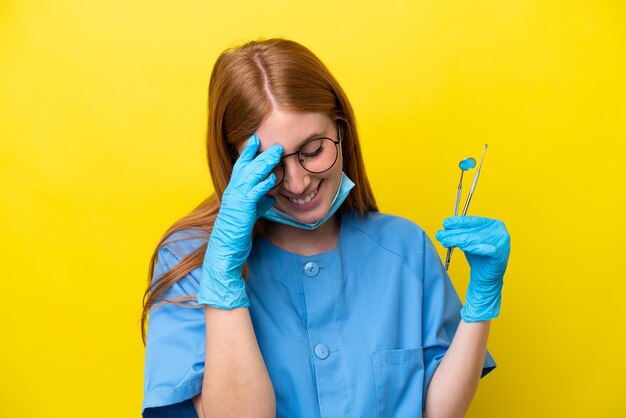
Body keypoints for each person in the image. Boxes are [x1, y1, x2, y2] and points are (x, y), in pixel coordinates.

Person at [140, 38, 510, 418]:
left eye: (313, 150)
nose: (298, 183)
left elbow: (436, 411)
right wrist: (222, 283)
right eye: (272, 165)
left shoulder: (404, 247)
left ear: (341, 132)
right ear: (233, 159)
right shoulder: (190, 261)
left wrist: (480, 306)